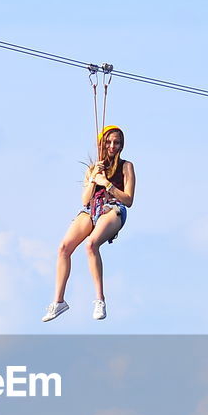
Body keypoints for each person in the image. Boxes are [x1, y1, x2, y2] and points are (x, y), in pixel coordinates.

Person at [42, 124, 136, 321]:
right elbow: (85, 200)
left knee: (91, 244)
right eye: (109, 142)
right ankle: (59, 301)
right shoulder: (94, 169)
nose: (112, 146)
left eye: (117, 143)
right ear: (102, 144)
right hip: (91, 208)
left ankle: (99, 299)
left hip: (114, 208)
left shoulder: (127, 166)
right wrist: (94, 179)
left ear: (121, 146)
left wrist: (107, 184)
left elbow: (128, 199)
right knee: (63, 248)